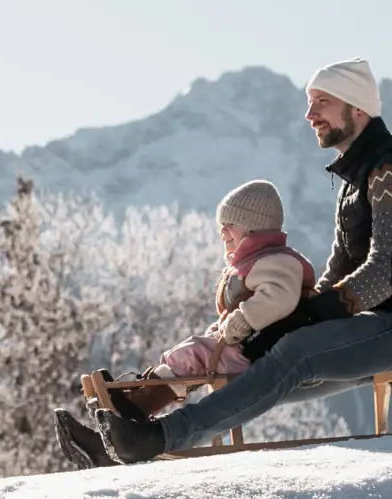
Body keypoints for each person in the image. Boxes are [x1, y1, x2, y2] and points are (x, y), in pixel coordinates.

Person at [96, 57, 392, 464]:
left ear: (357, 108)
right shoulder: (354, 184)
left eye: (321, 102)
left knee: (295, 354)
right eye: (309, 103)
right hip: (379, 326)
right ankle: (122, 430)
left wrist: (301, 321)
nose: (310, 114)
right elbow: (337, 274)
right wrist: (276, 320)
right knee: (260, 356)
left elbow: (385, 274)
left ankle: (161, 437)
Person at [54, 179, 315, 469]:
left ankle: (137, 406)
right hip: (243, 347)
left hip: (258, 356)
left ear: (254, 227)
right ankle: (128, 411)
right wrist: (225, 328)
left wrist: (242, 320)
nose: (223, 232)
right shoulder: (254, 264)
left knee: (192, 353)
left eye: (231, 224)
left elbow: (278, 299)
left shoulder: (278, 262)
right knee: (189, 352)